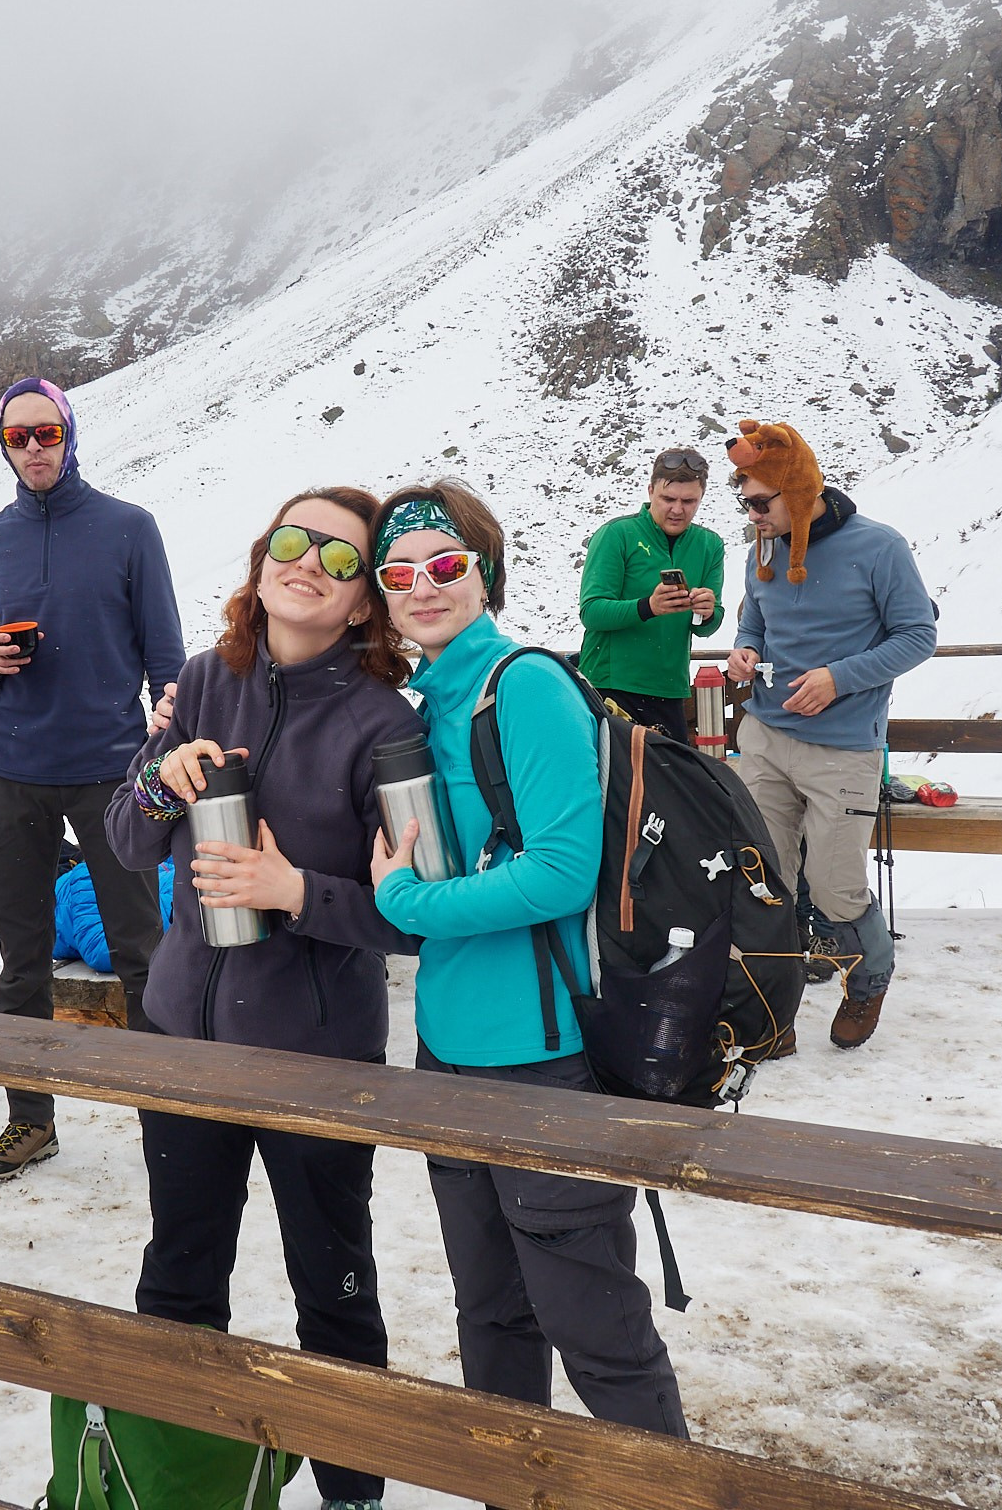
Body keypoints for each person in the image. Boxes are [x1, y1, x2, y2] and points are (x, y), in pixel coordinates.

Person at [105, 488, 422, 1510]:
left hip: (314, 1058)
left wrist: (295, 893)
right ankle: (177, 1486)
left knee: (333, 1292)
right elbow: (127, 838)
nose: (308, 564)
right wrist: (162, 782)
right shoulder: (206, 679)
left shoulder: (383, 725)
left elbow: (418, 918)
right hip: (181, 1036)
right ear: (260, 559)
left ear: (364, 603)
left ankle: (351, 1496)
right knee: (177, 1279)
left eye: (340, 559)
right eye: (292, 541)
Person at [366, 479, 688, 1446]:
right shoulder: (425, 704)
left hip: (545, 1060)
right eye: (398, 574)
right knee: (491, 1315)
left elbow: (560, 870)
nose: (424, 587)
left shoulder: (525, 685)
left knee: (596, 1331)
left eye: (446, 564)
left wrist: (407, 903)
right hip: (449, 1050)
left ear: (486, 575)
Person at [0, 377, 183, 1182]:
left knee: (141, 952)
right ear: (3, 446)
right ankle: (31, 1120)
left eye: (46, 432)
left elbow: (166, 653)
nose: (33, 448)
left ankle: (169, 1117)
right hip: (12, 771)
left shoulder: (129, 528)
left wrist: (168, 736)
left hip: (110, 772)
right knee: (19, 960)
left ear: (70, 434)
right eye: (17, 437)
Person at [722, 419, 937, 1049]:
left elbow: (918, 636)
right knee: (764, 881)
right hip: (765, 736)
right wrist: (744, 649)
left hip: (842, 748)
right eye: (745, 504)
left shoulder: (879, 547)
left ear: (797, 491)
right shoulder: (762, 548)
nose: (752, 516)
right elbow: (755, 620)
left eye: (760, 503)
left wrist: (838, 679)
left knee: (837, 890)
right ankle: (772, 1015)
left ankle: (868, 979)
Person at [576, 447, 726, 742]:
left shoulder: (710, 545)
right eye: (668, 499)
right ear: (650, 491)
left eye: (689, 501)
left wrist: (707, 612)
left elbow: (707, 626)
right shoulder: (617, 534)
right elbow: (591, 612)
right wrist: (648, 607)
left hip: (669, 689)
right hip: (611, 685)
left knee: (671, 773)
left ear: (701, 498)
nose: (677, 510)